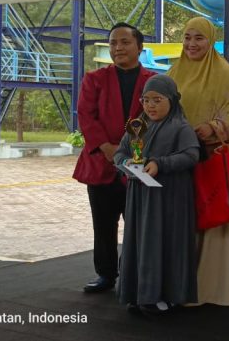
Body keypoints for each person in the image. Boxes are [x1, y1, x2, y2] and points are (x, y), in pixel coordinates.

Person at [167, 17, 229, 306]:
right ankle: (179, 288)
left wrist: (213, 127)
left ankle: (212, 290)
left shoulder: (225, 75)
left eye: (199, 38)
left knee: (213, 224)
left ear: (211, 40)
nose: (192, 44)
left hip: (209, 161)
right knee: (182, 223)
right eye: (187, 37)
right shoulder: (173, 72)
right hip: (178, 163)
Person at [73, 22, 156, 293]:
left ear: (140, 47)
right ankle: (106, 275)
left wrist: (132, 153)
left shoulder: (153, 81)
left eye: (125, 42)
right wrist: (107, 148)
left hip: (138, 165)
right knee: (103, 225)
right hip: (102, 164)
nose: (118, 48)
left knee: (138, 226)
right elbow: (86, 115)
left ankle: (133, 274)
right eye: (113, 43)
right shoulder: (94, 79)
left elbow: (157, 118)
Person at [115, 75, 200, 315]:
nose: (150, 106)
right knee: (139, 242)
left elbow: (191, 155)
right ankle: (137, 293)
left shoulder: (180, 128)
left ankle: (165, 295)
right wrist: (126, 163)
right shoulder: (137, 127)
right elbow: (120, 153)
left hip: (169, 199)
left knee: (166, 243)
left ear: (171, 100)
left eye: (157, 100)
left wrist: (159, 164)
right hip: (140, 199)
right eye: (146, 100)